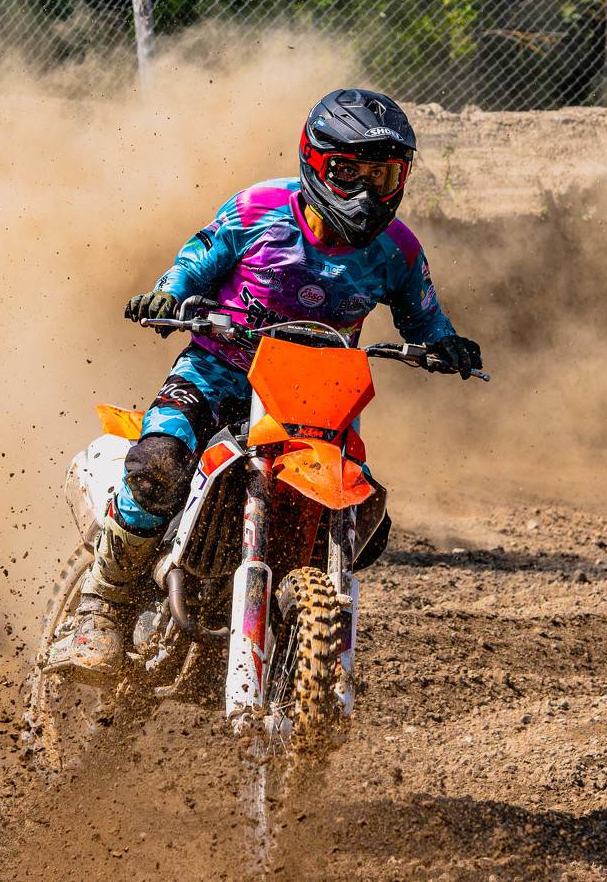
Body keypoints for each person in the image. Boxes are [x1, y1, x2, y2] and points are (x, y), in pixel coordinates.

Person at [47, 88, 483, 676]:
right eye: (348, 173)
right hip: (217, 371)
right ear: (315, 162)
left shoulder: (397, 251)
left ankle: (287, 634)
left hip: (316, 395)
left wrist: (446, 344)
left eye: (381, 177)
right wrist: (169, 296)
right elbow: (196, 261)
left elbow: (423, 317)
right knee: (158, 464)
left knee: (366, 521)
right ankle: (102, 609)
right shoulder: (259, 209)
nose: (364, 193)